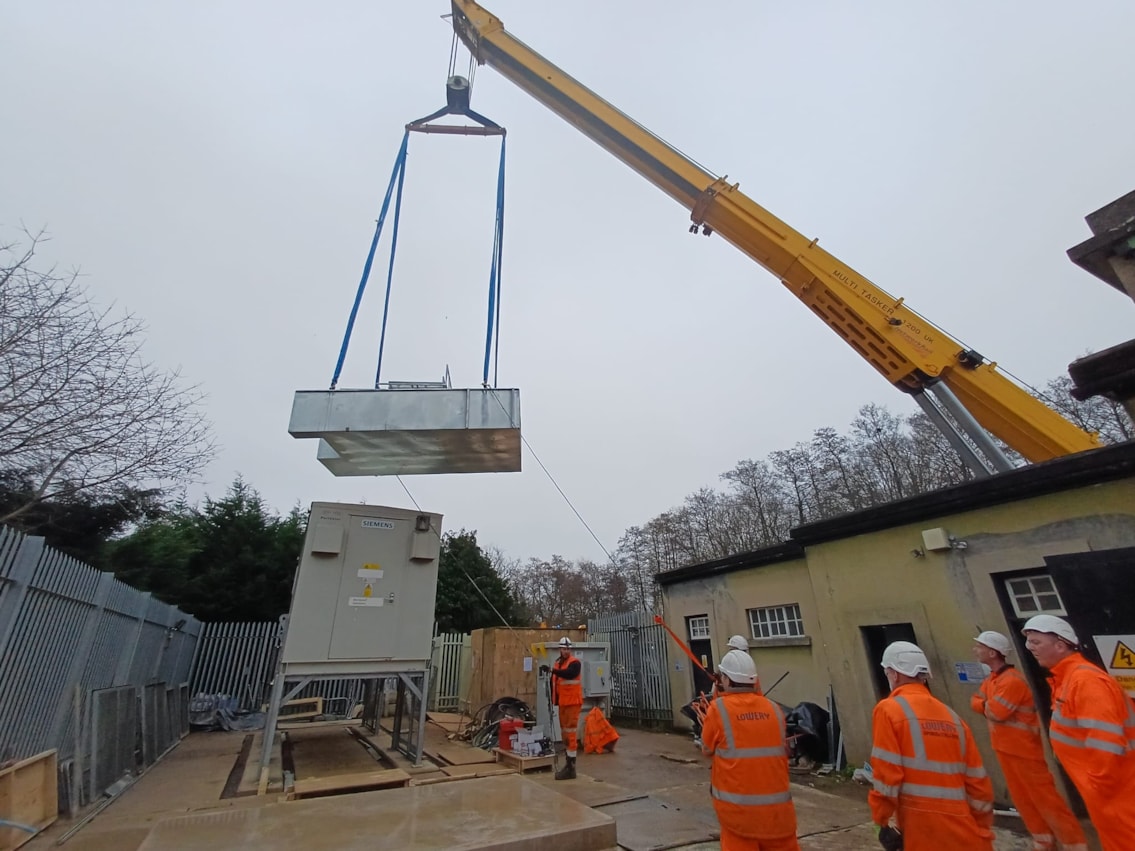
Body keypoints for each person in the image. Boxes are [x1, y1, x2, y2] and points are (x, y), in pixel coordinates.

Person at [1023, 614, 1135, 851]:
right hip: (1109, 794)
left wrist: (1098, 791)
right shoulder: (1068, 679)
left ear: (1060, 645)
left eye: (1036, 641)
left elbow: (1107, 743)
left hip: (1117, 795)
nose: (1029, 647)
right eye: (1028, 641)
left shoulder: (1085, 681)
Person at [869, 641, 994, 851]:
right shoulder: (953, 717)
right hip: (966, 830)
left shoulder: (889, 710)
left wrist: (880, 820)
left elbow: (886, 775)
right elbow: (978, 783)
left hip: (922, 828)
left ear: (894, 674)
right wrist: (982, 829)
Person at [969, 630, 1087, 851]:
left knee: (1046, 800)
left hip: (1025, 751)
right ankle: (1043, 841)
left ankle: (1074, 844)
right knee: (1024, 801)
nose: (975, 650)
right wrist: (982, 704)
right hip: (1006, 749)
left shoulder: (1011, 681)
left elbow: (995, 711)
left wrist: (982, 705)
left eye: (980, 647)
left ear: (993, 652)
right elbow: (977, 700)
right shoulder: (994, 681)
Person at [700, 648, 799, 850]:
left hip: (739, 817)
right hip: (778, 817)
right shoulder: (774, 709)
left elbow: (707, 749)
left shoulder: (718, 710)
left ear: (726, 680)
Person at [540, 636, 583, 780]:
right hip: (563, 704)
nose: (566, 651)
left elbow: (570, 673)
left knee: (570, 734)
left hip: (572, 703)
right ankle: (568, 765)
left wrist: (552, 670)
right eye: (564, 649)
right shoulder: (558, 663)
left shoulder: (574, 663)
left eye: (568, 649)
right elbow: (556, 683)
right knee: (565, 734)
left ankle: (571, 768)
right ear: (560, 649)